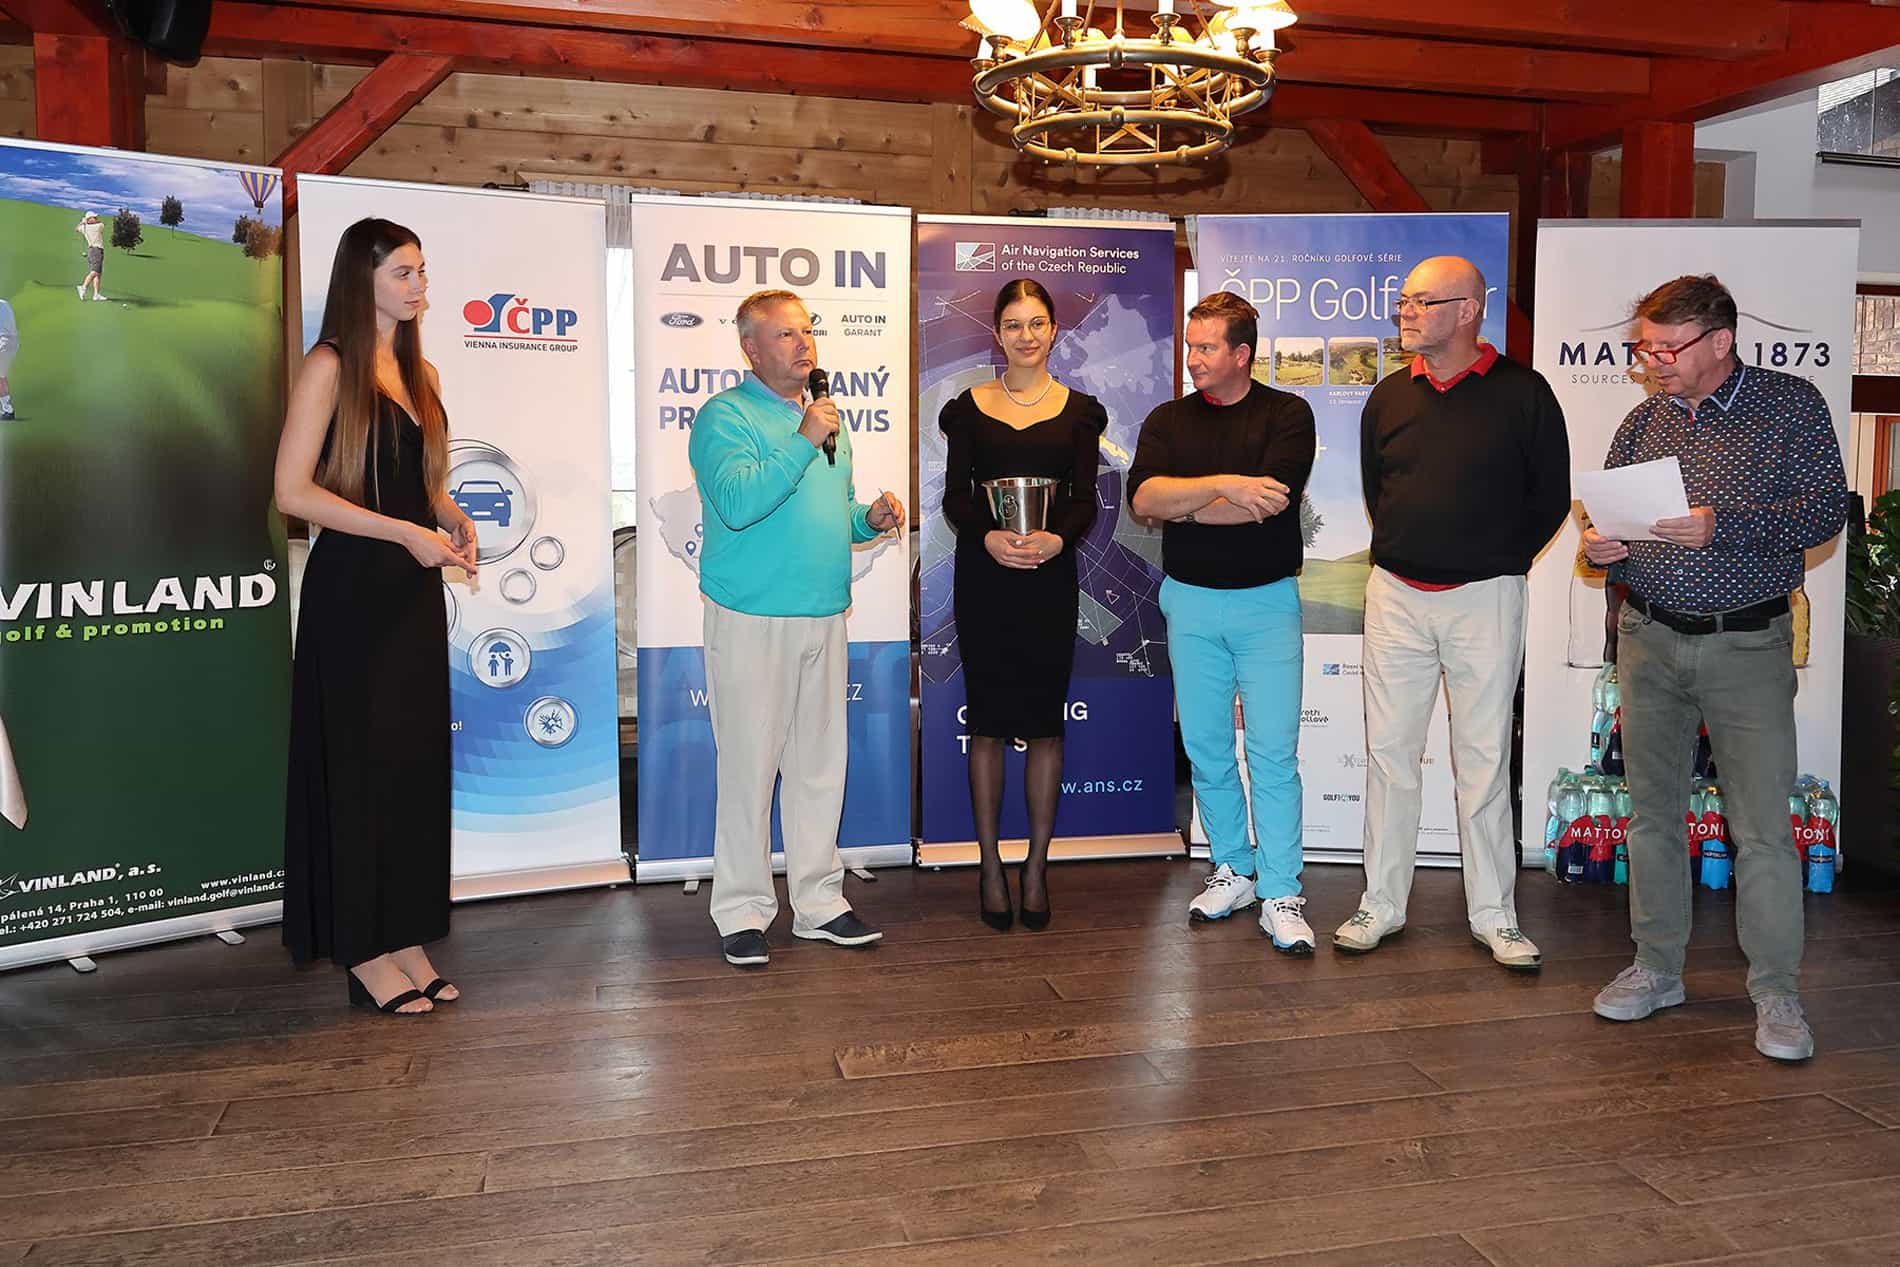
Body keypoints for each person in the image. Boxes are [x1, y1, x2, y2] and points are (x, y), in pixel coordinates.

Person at [1583, 274, 1846, 1062]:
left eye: (1667, 348)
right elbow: (1605, 528)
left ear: (1719, 341)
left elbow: (1825, 509)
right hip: (1648, 637)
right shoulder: (1642, 421)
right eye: (1645, 348)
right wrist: (1600, 549)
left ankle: (1777, 992)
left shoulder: (1790, 405)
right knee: (1651, 815)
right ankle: (1657, 967)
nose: (1652, 361)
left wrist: (1719, 527)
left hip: (1746, 645)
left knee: (1761, 828)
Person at [1338, 256, 1570, 971]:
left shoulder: (1524, 393)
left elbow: (1549, 497)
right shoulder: (1387, 395)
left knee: (1484, 759)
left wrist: (1493, 559)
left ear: (1469, 310)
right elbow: (1379, 490)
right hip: (1396, 594)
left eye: (1422, 301)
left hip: (1486, 596)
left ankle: (1495, 915)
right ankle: (1382, 902)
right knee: (1389, 756)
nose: (1405, 312)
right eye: (1403, 301)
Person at [274, 218, 479, 1016]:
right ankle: (364, 946)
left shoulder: (422, 371)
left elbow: (419, 482)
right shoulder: (329, 365)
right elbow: (292, 492)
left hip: (410, 597)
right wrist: (404, 533)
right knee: (360, 771)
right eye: (402, 272)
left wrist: (448, 514)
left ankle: (407, 934)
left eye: (421, 271)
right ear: (361, 280)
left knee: (410, 768)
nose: (418, 285)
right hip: (353, 595)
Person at [690, 288, 905, 968]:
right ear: (750, 349)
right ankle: (742, 910)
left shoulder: (826, 419)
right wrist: (804, 438)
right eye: (786, 334)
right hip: (751, 616)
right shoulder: (724, 416)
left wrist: (868, 520)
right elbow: (738, 501)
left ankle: (819, 903)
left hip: (823, 613)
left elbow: (835, 512)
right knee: (749, 771)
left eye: (807, 331)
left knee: (818, 768)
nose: (803, 343)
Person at [1128, 291, 1317, 952]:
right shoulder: (1168, 419)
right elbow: (1144, 498)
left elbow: (1267, 504)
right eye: (1191, 345)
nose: (1193, 358)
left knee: (1272, 753)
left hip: (1267, 603)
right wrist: (1227, 485)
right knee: (1207, 748)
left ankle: (1281, 889)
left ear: (1242, 353)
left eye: (1206, 347)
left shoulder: (1287, 414)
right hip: (1189, 600)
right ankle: (1233, 867)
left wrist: (1189, 499)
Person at [940, 279, 1106, 932]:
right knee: (986, 724)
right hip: (984, 578)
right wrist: (987, 536)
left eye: (1037, 323)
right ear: (997, 333)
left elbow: (1085, 500)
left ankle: (1036, 866)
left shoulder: (1080, 412)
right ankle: (989, 865)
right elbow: (956, 497)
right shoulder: (968, 409)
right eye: (1013, 324)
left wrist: (1055, 539)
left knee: (1044, 726)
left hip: (1048, 578)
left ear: (1054, 330)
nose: (1026, 336)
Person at [75, 213, 106, 302]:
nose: (96, 218)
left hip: (93, 251)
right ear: (89, 219)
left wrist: (83, 222)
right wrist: (87, 221)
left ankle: (96, 295)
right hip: (96, 251)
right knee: (94, 272)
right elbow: (102, 224)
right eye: (94, 217)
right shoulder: (98, 226)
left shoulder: (84, 228)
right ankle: (83, 287)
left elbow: (77, 228)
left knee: (98, 274)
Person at [0, 296, 16, 420]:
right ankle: (8, 409)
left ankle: (8, 410)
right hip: (13, 342)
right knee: (1, 376)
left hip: (3, 342)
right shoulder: (4, 303)